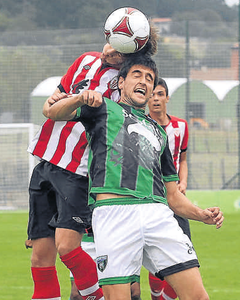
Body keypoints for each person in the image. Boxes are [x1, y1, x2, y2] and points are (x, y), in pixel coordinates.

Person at [44, 54, 224, 300]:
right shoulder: (103, 108)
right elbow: (53, 113)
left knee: (198, 296)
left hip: (158, 215)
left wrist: (200, 214)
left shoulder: (160, 133)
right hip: (113, 213)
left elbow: (172, 196)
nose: (144, 81)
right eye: (137, 75)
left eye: (149, 78)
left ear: (152, 90)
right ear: (121, 82)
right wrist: (78, 98)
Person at [27, 16, 158, 299]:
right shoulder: (84, 60)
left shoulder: (122, 85)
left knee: (68, 248)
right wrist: (56, 99)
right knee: (40, 257)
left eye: (120, 51)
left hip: (78, 171)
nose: (110, 51)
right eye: (111, 42)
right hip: (45, 160)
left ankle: (98, 295)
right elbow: (54, 100)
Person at [147, 78, 190, 300]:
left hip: (175, 198)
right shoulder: (140, 124)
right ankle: (155, 294)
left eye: (160, 94)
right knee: (154, 257)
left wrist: (182, 182)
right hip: (150, 199)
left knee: (183, 254)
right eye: (152, 94)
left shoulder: (180, 126)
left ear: (167, 98)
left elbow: (182, 159)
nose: (155, 98)